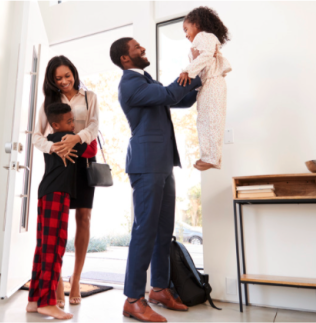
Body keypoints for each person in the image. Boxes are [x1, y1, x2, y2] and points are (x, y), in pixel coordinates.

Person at [110, 37, 202, 322]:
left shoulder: (147, 82)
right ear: (125, 59)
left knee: (163, 231)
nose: (143, 49)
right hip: (146, 165)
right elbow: (169, 95)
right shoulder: (130, 84)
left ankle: (159, 288)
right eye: (137, 47)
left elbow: (180, 98)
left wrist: (201, 78)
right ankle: (133, 299)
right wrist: (195, 67)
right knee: (145, 231)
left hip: (162, 164)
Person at [33, 56, 99, 306]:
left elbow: (94, 126)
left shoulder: (89, 96)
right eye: (57, 78)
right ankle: (57, 285)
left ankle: (76, 281)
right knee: (56, 225)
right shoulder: (49, 102)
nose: (63, 81)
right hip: (59, 165)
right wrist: (54, 148)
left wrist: (76, 137)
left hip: (83, 163)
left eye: (66, 76)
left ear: (74, 72)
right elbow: (36, 136)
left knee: (84, 218)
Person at [26, 103, 97, 320]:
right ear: (55, 125)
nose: (73, 126)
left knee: (43, 247)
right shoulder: (67, 138)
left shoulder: (51, 140)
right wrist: (79, 134)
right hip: (57, 194)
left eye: (73, 121)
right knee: (54, 246)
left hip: (47, 192)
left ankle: (34, 300)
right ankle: (47, 303)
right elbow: (92, 148)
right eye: (69, 122)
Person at [178, 6, 232, 171]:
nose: (186, 34)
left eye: (186, 29)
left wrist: (188, 70)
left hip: (213, 82)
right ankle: (209, 156)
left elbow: (207, 55)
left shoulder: (204, 36)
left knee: (212, 120)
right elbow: (205, 58)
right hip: (207, 84)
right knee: (204, 121)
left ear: (197, 24)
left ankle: (212, 158)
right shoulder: (202, 39)